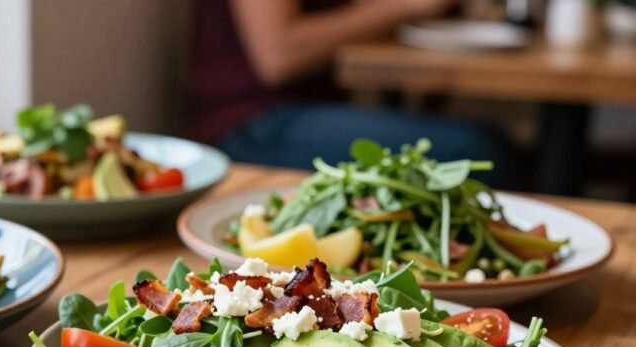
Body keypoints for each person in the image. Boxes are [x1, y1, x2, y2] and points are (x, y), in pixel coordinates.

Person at [189, 0, 517, 187]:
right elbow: (278, 55)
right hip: (252, 123)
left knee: (480, 143)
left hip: (310, 108)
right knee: (475, 149)